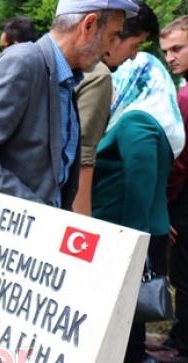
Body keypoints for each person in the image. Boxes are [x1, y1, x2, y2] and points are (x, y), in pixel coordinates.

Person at [0, 0, 136, 208]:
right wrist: (40, 215)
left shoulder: (66, 80)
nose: (110, 50)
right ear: (89, 25)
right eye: (111, 36)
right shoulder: (23, 63)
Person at [92, 52, 185, 363]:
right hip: (139, 228)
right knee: (132, 302)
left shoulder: (137, 121)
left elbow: (140, 185)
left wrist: (133, 241)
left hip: (129, 228)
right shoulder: (145, 118)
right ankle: (134, 361)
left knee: (129, 301)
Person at [74, 1, 159, 216]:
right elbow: (84, 156)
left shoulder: (71, 67)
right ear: (116, 36)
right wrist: (83, 223)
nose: (133, 56)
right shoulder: (99, 75)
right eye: (135, 45)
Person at [157, 17, 188, 363]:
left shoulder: (184, 96)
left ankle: (182, 347)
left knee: (183, 275)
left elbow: (179, 161)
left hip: (184, 202)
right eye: (166, 51)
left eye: (177, 48)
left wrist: (165, 207)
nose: (170, 57)